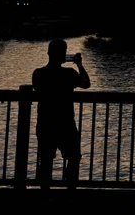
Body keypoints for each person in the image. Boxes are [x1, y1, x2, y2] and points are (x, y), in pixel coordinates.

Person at [32, 39, 91, 191]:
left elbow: (38, 88)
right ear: (63, 55)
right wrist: (79, 65)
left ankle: (45, 193)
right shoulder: (69, 74)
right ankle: (70, 191)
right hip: (66, 124)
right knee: (73, 157)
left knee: (46, 160)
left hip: (45, 124)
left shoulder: (38, 74)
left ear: (48, 53)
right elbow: (86, 83)